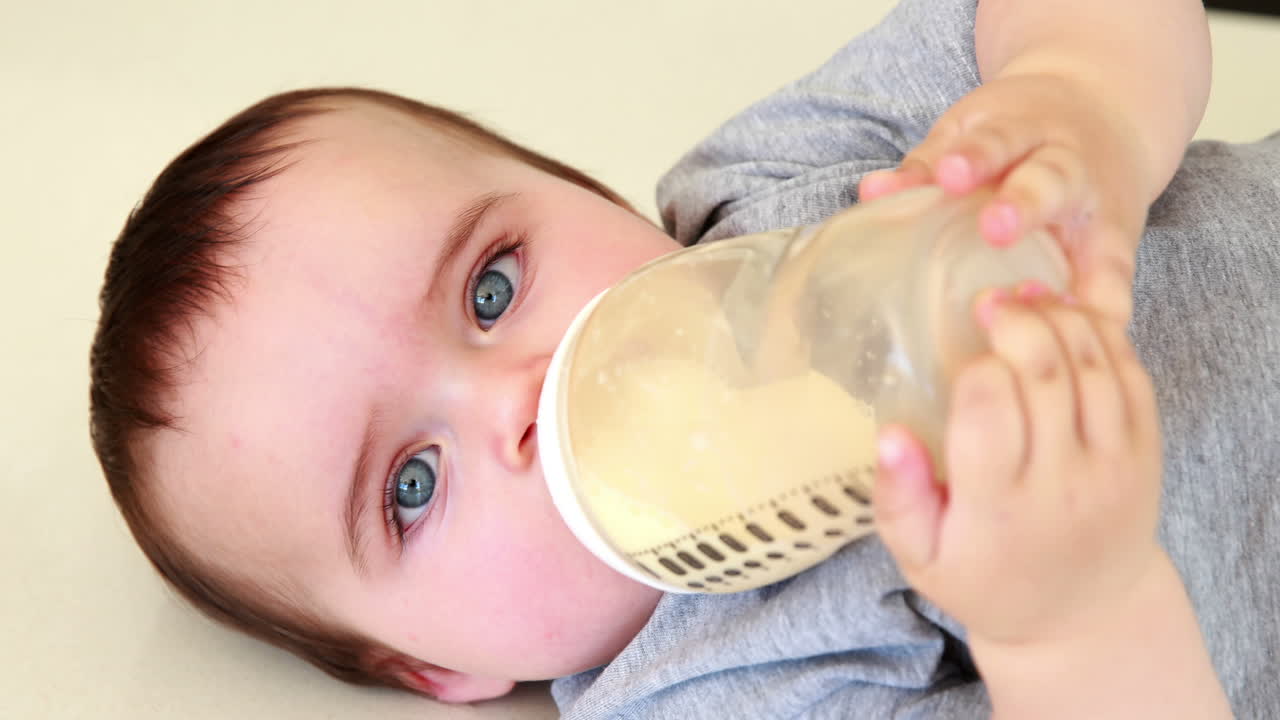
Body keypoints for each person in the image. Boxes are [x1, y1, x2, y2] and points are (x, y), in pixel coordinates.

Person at [86, 0, 1272, 717]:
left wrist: (1078, 103)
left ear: (591, 194)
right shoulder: (721, 690)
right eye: (411, 485)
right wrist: (1068, 625)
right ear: (436, 669)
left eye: (492, 284)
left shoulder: (766, 187)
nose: (519, 397)